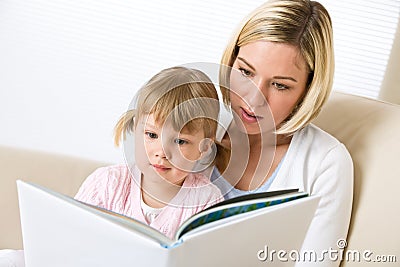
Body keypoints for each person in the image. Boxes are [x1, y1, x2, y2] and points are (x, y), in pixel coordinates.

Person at [211, 0, 353, 266]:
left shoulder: (326, 163)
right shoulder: (193, 125)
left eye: (279, 85)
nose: (254, 98)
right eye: (244, 72)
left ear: (309, 90)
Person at [75, 66, 224, 239]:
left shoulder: (206, 202)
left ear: (204, 148)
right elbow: (73, 237)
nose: (161, 153)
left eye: (180, 141)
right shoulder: (106, 185)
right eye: (151, 135)